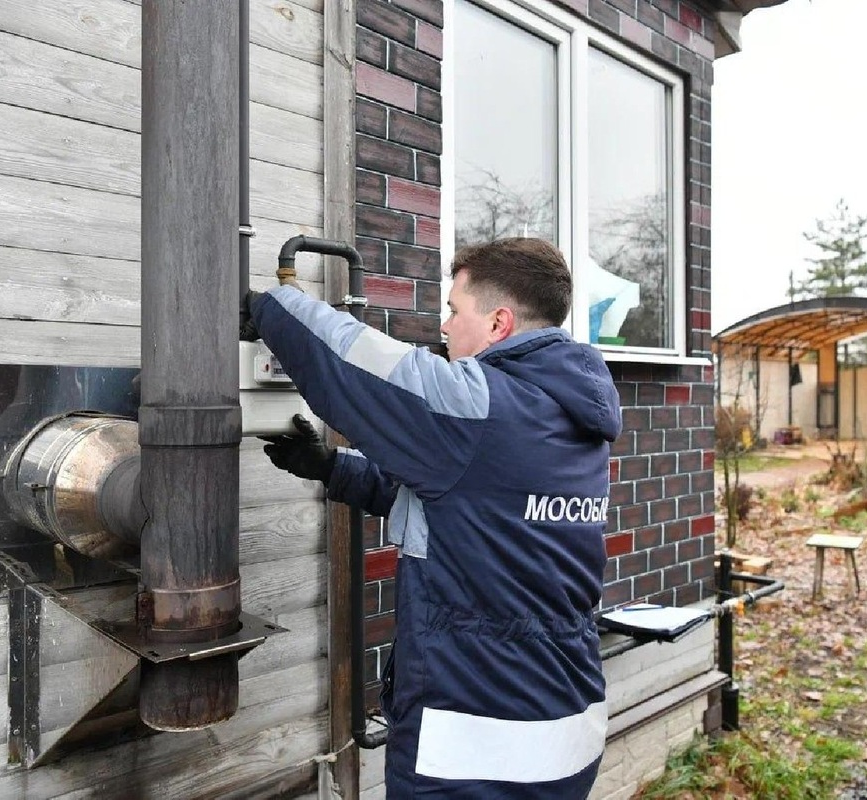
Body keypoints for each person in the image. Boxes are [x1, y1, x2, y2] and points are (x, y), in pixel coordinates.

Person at [244, 237, 622, 798]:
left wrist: (273, 307)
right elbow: (469, 506)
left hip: (476, 754)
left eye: (453, 309)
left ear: (498, 323)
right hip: (567, 733)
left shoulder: (484, 405)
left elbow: (351, 360)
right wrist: (332, 468)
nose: (444, 328)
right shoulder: (565, 415)